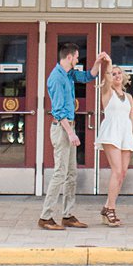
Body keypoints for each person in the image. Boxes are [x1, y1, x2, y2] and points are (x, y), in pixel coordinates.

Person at [38, 43, 107, 230]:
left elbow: (88, 76)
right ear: (69, 57)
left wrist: (98, 62)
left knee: (71, 174)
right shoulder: (57, 78)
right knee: (60, 173)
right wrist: (71, 133)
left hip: (68, 128)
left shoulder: (68, 74)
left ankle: (67, 215)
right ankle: (46, 217)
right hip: (62, 129)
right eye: (77, 57)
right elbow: (58, 111)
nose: (78, 60)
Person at [94, 55, 133, 226]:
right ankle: (112, 210)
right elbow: (106, 79)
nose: (116, 75)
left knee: (122, 174)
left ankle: (107, 206)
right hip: (111, 134)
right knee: (116, 171)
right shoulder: (107, 93)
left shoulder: (129, 97)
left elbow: (132, 120)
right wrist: (107, 63)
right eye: (113, 73)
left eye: (119, 73)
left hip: (125, 135)